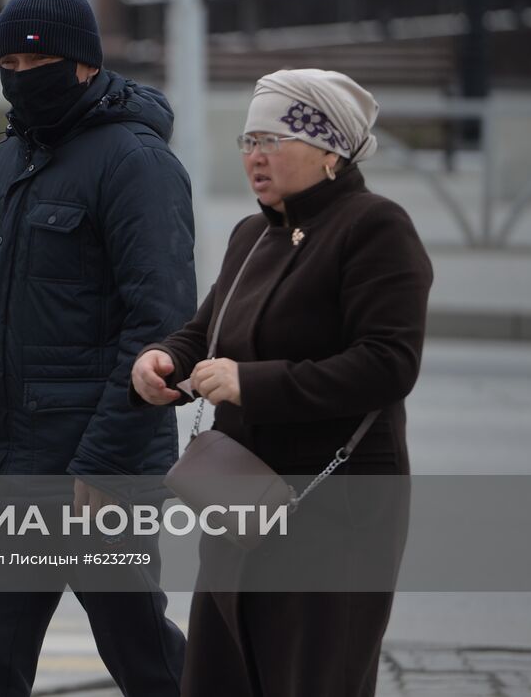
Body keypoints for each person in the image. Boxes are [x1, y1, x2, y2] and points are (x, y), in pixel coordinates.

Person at [131, 68, 433, 697]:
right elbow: (207, 330)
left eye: (273, 140)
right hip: (241, 500)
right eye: (248, 141)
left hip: (334, 508)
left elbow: (389, 363)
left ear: (331, 152)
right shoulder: (253, 234)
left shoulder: (374, 228)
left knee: (310, 676)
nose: (255, 157)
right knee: (221, 674)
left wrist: (252, 384)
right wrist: (163, 359)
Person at [0, 0, 194, 697]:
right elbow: (0, 343)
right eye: (9, 69)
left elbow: (162, 329)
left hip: (98, 471)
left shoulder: (136, 164)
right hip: (15, 473)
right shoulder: (12, 159)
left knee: (143, 657)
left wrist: (101, 471)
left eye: (37, 65)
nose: (21, 82)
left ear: (85, 63)